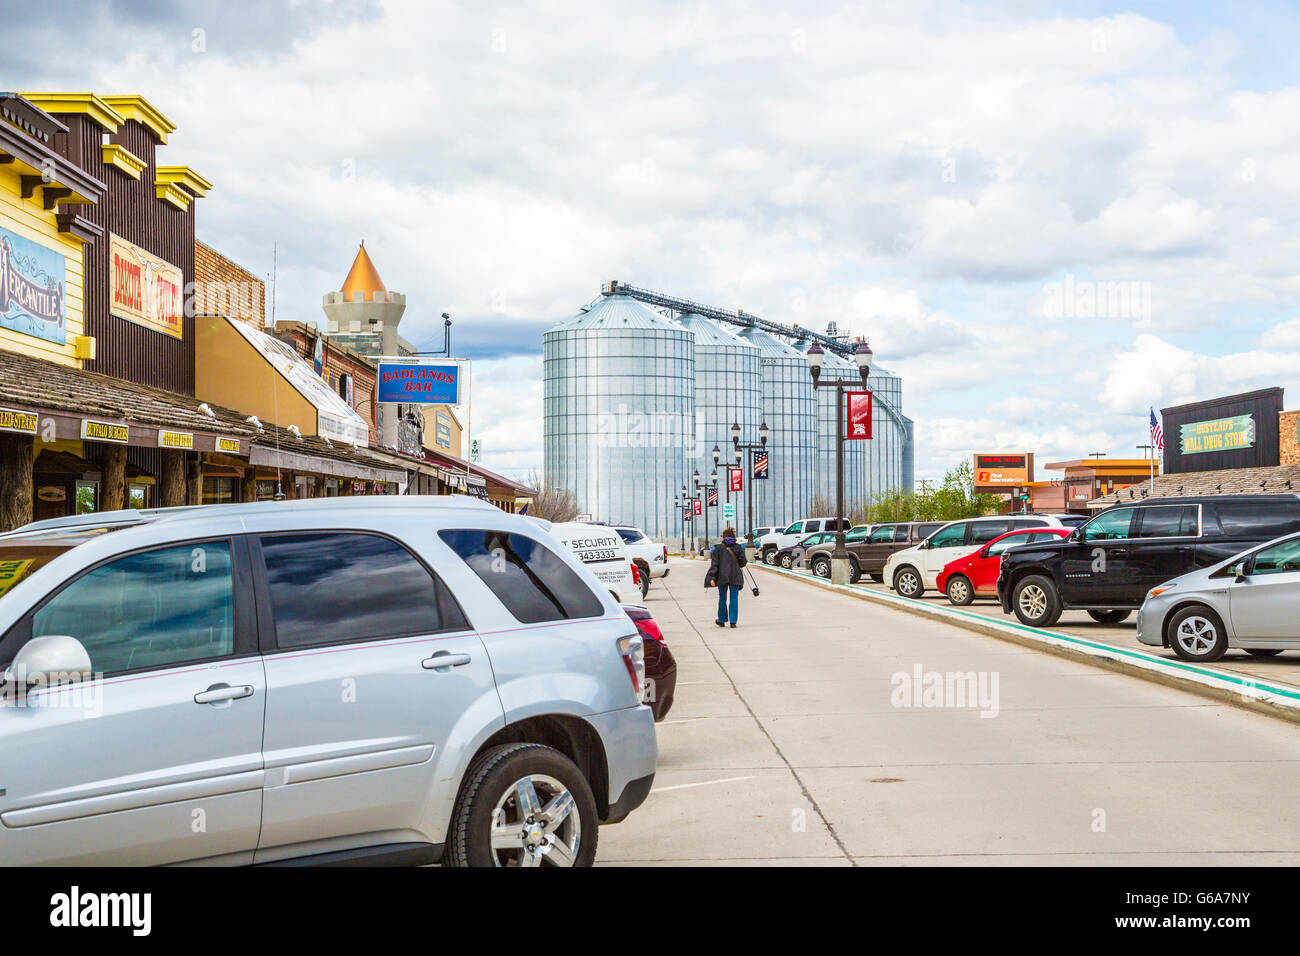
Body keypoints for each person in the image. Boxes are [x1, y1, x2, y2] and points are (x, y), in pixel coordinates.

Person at [706, 527, 747, 628]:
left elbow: (715, 565)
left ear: (723, 537)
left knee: (722, 598)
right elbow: (743, 563)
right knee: (734, 598)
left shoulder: (718, 548)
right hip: (735, 576)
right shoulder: (738, 547)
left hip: (722, 576)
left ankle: (722, 619)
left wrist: (712, 577)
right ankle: (733, 621)